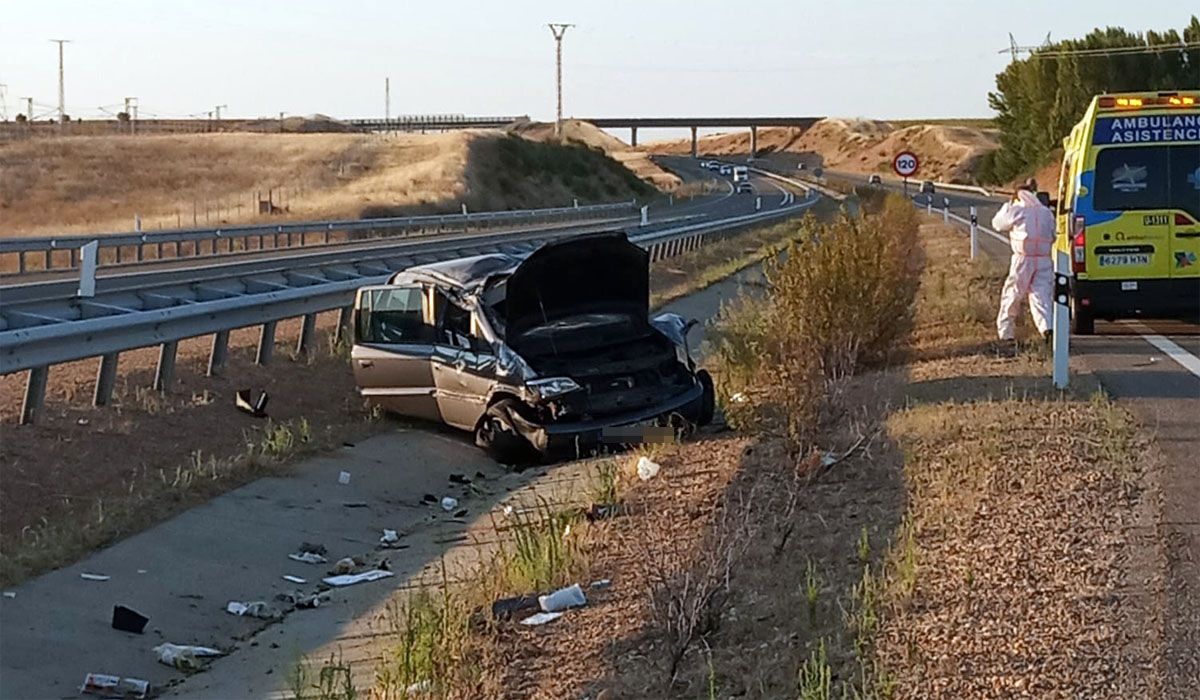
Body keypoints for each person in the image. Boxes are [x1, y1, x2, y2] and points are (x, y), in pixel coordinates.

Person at [991, 178, 1056, 342]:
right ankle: (1047, 329)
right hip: (1044, 260)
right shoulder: (1045, 212)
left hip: (1023, 259)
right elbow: (1054, 234)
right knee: (1041, 296)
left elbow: (998, 224)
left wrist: (1007, 206)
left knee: (1013, 294)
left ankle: (1006, 332)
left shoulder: (1016, 210)